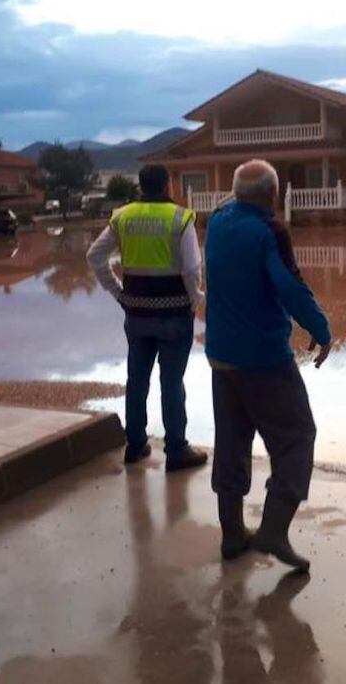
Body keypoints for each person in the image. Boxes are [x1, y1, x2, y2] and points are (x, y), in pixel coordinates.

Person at [204, 159, 332, 571]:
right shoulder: (269, 231)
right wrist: (321, 328)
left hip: (221, 357)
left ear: (235, 193)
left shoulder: (217, 223)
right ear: (273, 196)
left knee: (232, 442)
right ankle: (274, 532)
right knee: (296, 437)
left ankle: (231, 535)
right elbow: (290, 286)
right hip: (263, 359)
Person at [86, 164, 208, 472]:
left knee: (137, 380)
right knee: (171, 381)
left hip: (137, 314)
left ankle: (136, 444)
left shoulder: (123, 216)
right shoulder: (180, 218)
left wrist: (118, 293)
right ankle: (177, 450)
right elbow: (193, 268)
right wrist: (196, 299)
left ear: (141, 185)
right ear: (167, 185)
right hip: (175, 315)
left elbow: (95, 257)